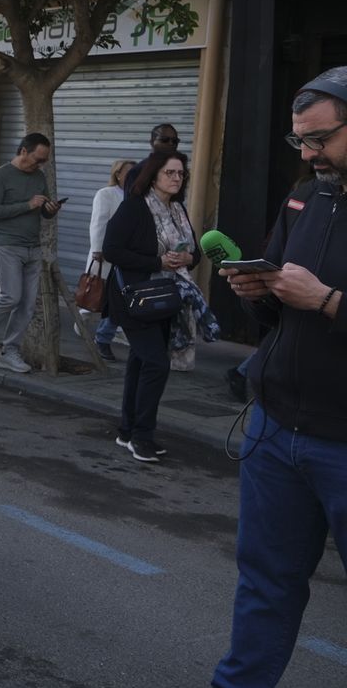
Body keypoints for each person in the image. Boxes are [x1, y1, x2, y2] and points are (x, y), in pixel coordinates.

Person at [211, 70, 347, 687]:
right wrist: (255, 293)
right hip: (274, 428)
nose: (310, 153)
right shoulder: (306, 197)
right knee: (264, 583)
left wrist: (327, 301)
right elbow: (274, 318)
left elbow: (317, 302)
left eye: (322, 138)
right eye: (300, 141)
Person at [103, 150, 204, 462]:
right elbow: (111, 250)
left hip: (167, 298)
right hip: (135, 298)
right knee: (157, 364)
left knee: (140, 361)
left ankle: (127, 429)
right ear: (154, 175)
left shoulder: (177, 209)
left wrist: (188, 258)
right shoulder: (134, 207)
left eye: (180, 173)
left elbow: (196, 252)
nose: (177, 178)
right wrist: (156, 261)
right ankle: (142, 436)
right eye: (169, 173)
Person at [0, 133, 62, 374]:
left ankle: (9, 352)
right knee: (10, 296)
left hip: (33, 246)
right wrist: (27, 205)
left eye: (44, 161)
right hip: (7, 244)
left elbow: (43, 212)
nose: (40, 165)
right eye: (37, 159)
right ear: (24, 151)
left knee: (27, 305)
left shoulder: (39, 176)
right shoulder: (1, 175)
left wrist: (50, 209)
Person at [83, 159, 134, 360]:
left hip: (128, 255)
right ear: (118, 174)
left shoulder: (137, 196)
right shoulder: (106, 194)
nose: (132, 176)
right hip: (107, 253)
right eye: (128, 172)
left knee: (116, 297)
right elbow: (98, 222)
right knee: (95, 294)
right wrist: (97, 248)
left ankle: (107, 333)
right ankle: (82, 323)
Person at [122, 122, 182, 192]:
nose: (170, 143)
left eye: (175, 141)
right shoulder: (137, 171)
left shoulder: (179, 171)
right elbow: (129, 201)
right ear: (152, 143)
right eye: (164, 140)